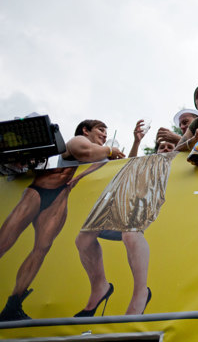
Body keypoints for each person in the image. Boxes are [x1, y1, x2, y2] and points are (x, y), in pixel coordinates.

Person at [0, 119, 125, 321]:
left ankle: (12, 305)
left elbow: (113, 166)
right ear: (85, 130)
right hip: (38, 191)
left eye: (106, 132)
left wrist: (122, 149)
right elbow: (85, 153)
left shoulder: (101, 155)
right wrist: (111, 150)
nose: (104, 135)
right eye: (100, 130)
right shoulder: (78, 140)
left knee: (41, 250)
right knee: (4, 242)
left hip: (60, 198)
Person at [74, 120, 176, 316]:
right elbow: (129, 162)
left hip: (146, 192)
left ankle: (140, 294)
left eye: (169, 147)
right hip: (119, 190)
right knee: (83, 238)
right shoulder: (145, 160)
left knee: (131, 234)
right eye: (161, 146)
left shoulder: (168, 162)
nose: (165, 149)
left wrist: (176, 142)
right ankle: (100, 288)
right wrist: (137, 141)